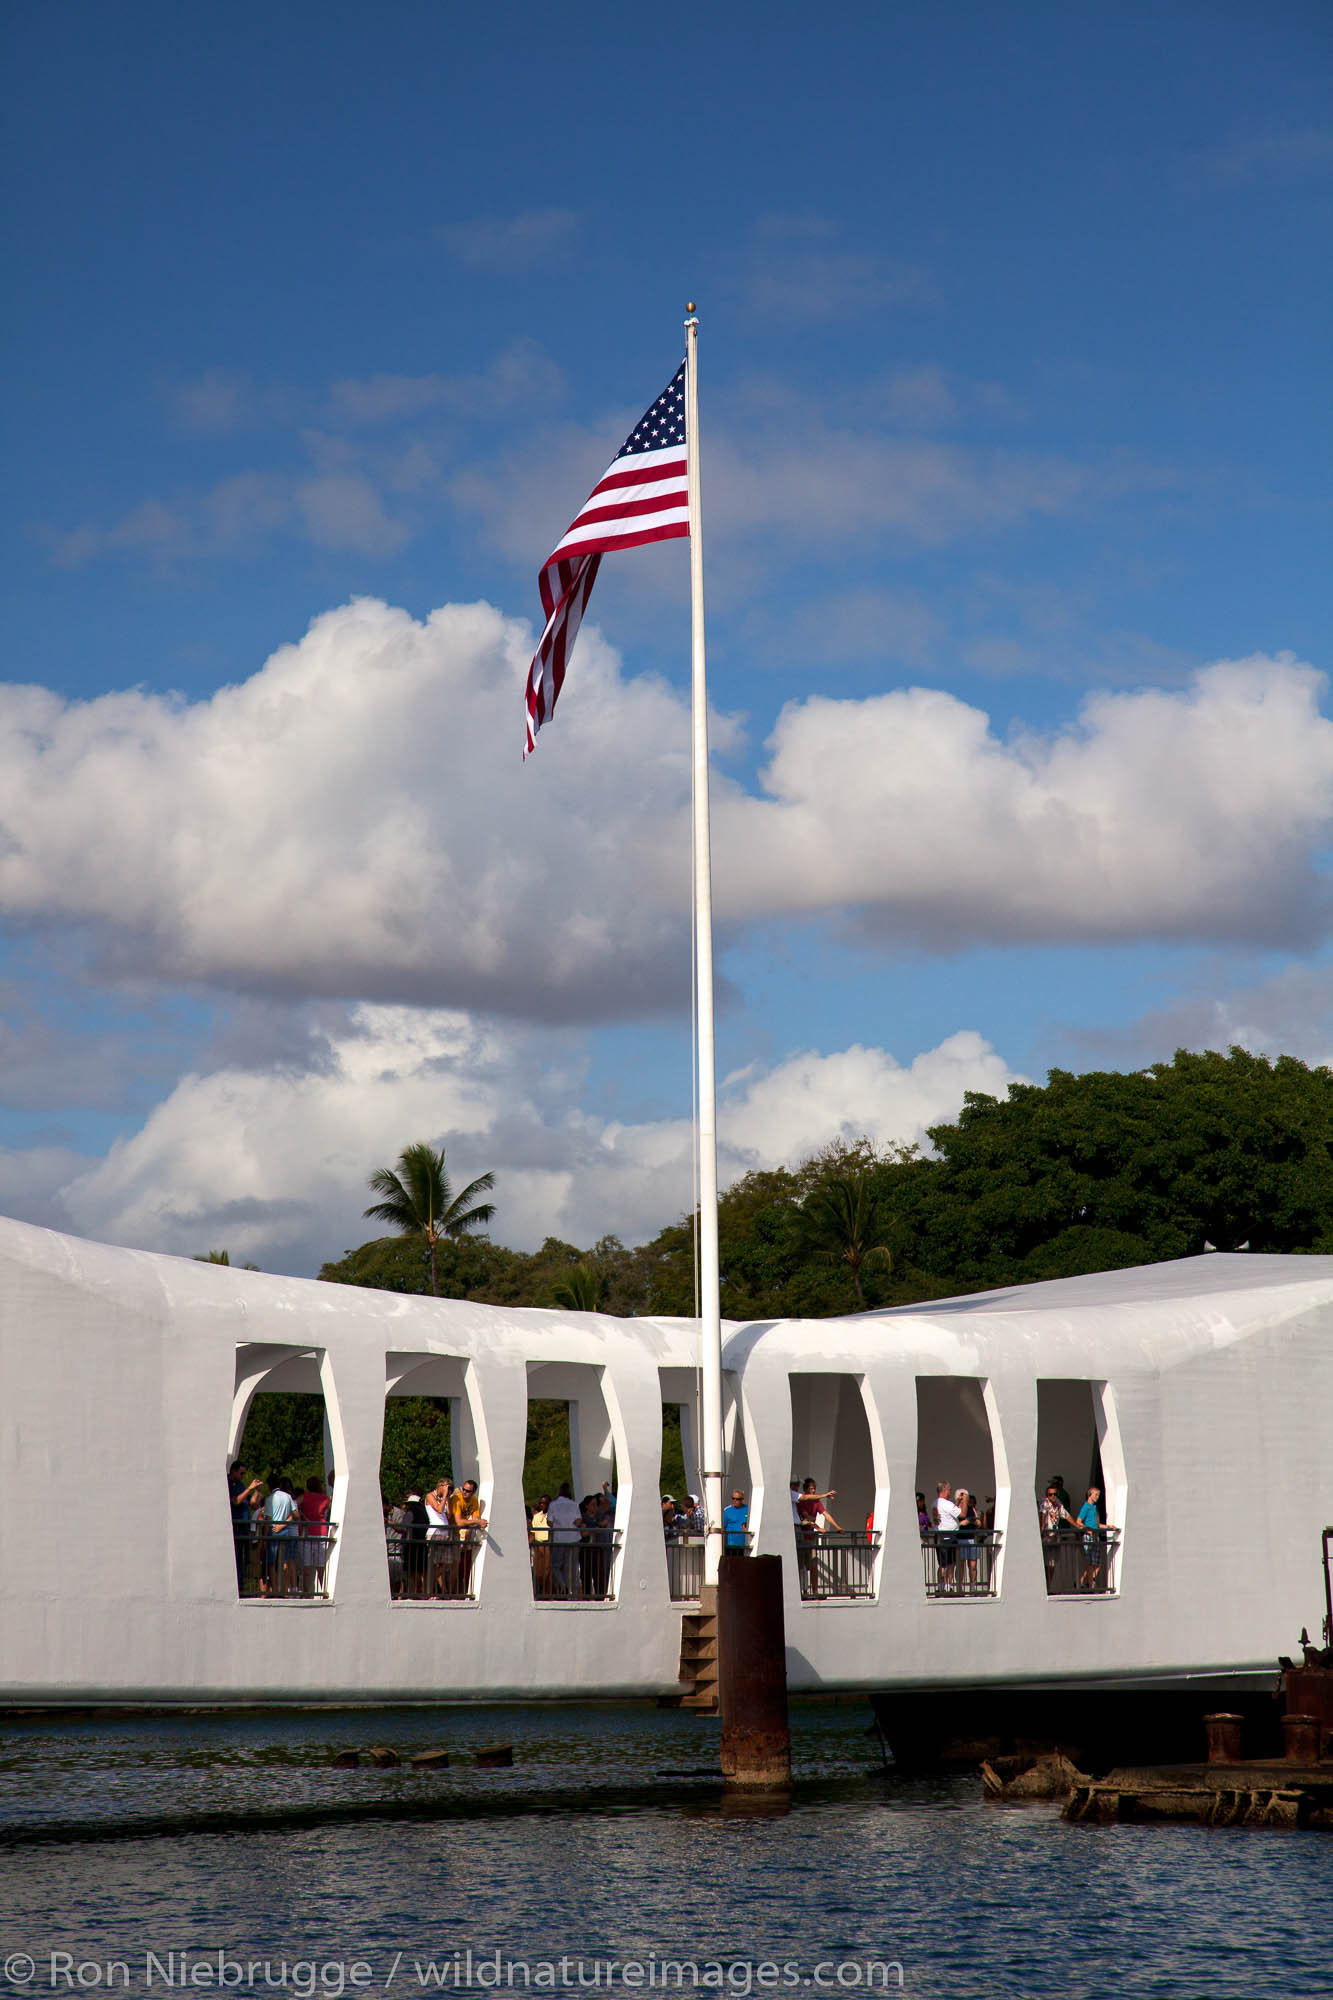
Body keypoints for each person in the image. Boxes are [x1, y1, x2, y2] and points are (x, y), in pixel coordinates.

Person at [450, 1477, 488, 1597]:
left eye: (468, 1491)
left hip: (465, 1539)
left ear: (473, 1492)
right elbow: (459, 1522)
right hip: (452, 1535)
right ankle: (449, 1593)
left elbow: (475, 1517)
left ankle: (458, 1593)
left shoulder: (474, 1500)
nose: (464, 1492)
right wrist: (474, 1522)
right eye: (463, 1489)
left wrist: (480, 1521)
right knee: (452, 1568)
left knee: (461, 1568)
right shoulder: (457, 1498)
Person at [228, 1463, 263, 1593]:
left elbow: (253, 1504)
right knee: (236, 1559)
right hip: (235, 1529)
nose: (243, 1476)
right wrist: (249, 1488)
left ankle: (242, 1585)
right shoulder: (228, 1483)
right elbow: (235, 1501)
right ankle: (237, 1587)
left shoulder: (241, 1485)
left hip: (244, 1529)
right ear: (233, 1471)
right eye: (241, 1473)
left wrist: (257, 1491)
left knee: (244, 1560)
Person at [262, 1475, 298, 1597]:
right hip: (285, 1531)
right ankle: (284, 1589)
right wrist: (283, 1525)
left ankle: (276, 1590)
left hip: (273, 1531)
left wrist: (264, 1538)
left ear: (269, 1486)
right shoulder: (288, 1497)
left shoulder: (269, 1499)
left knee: (272, 1563)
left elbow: (267, 1519)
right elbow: (294, 1515)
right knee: (285, 1562)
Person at [297, 1476, 331, 1597]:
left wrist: (302, 1516)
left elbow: (294, 1506)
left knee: (306, 1566)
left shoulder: (304, 1497)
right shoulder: (325, 1498)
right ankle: (325, 1591)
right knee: (320, 1566)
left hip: (306, 1532)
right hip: (321, 1531)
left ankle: (306, 1593)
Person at [1039, 1481, 1078, 1589]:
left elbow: (1066, 1515)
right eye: (1050, 1494)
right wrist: (1042, 1530)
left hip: (1055, 1538)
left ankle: (1048, 1586)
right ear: (1047, 1495)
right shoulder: (1045, 1503)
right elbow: (1042, 1516)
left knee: (1052, 1565)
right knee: (1045, 1564)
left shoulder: (1059, 1504)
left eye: (1055, 1494)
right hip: (1046, 1538)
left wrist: (1076, 1526)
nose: (1053, 1496)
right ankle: (1044, 1587)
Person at [546, 1482, 582, 1597]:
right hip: (573, 1538)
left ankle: (562, 1585)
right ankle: (572, 1592)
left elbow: (549, 1522)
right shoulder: (574, 1504)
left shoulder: (553, 1504)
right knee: (571, 1566)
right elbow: (578, 1521)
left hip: (559, 1538)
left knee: (556, 1565)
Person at [425, 1478, 455, 1597]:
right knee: (435, 1564)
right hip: (435, 1533)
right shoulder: (430, 1496)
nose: (449, 1491)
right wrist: (444, 1498)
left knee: (445, 1563)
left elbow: (449, 1514)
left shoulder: (445, 1499)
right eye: (448, 1488)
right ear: (441, 1486)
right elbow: (439, 1509)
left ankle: (436, 1589)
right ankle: (429, 1589)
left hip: (444, 1532)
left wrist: (447, 1499)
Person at [934, 1480, 960, 1592]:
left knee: (942, 1563)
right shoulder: (946, 1503)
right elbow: (961, 1513)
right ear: (944, 1490)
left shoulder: (935, 1502)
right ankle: (947, 1586)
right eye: (949, 1489)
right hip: (948, 1536)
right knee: (949, 1564)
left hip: (939, 1535)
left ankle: (941, 1585)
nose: (950, 1491)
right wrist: (964, 1501)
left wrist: (956, 1503)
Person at [1077, 1485, 1105, 1591]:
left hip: (1095, 1536)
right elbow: (1078, 1522)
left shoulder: (1094, 1509)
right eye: (1096, 1495)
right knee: (1090, 1562)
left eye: (1098, 1495)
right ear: (1090, 1495)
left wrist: (1108, 1526)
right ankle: (1090, 1585)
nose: (1097, 1497)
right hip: (1089, 1536)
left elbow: (1096, 1524)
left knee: (1097, 1563)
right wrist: (1087, 1528)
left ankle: (1083, 1581)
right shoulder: (1086, 1507)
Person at [403, 1490, 429, 1598]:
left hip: (412, 1544)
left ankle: (414, 1592)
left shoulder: (410, 1513)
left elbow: (404, 1527)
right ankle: (422, 1592)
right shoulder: (424, 1512)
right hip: (422, 1544)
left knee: (412, 1570)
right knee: (421, 1570)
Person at [955, 1487, 980, 1590]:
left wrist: (972, 1521)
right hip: (960, 1539)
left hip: (971, 1539)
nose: (964, 1499)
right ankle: (959, 1587)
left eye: (965, 1497)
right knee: (960, 1566)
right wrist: (962, 1523)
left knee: (973, 1566)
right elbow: (951, 1524)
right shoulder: (955, 1509)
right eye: (962, 1497)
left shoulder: (971, 1509)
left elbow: (979, 1523)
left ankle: (973, 1587)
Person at [385, 1497, 408, 1598]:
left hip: (396, 1549)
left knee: (399, 1577)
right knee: (390, 1577)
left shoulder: (398, 1513)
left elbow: (403, 1528)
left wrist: (388, 1522)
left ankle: (400, 1596)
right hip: (387, 1550)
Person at [529, 1495, 552, 1597]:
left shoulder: (551, 1516)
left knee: (548, 1570)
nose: (543, 1505)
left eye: (545, 1503)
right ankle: (540, 1592)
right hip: (538, 1545)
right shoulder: (536, 1516)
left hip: (548, 1544)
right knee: (538, 1571)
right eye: (541, 1503)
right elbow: (533, 1533)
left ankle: (548, 1593)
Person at [722, 1488, 750, 1552]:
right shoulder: (727, 1511)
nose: (735, 1500)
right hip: (730, 1545)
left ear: (742, 1500)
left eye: (737, 1499)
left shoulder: (748, 1509)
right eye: (733, 1498)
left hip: (744, 1545)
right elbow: (723, 1527)